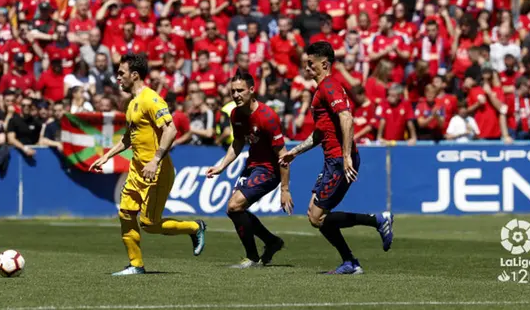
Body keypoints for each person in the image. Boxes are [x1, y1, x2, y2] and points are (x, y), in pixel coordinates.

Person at [279, 41, 394, 275]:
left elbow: (347, 118)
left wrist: (346, 156)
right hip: (332, 160)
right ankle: (350, 261)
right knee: (314, 214)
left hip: (339, 160)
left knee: (317, 216)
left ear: (324, 64)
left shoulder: (330, 86)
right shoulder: (321, 90)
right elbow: (320, 133)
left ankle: (376, 223)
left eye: (310, 63)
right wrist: (295, 152)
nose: (306, 68)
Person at [89, 53, 206, 275]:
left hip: (157, 171)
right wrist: (107, 156)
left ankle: (194, 227)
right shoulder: (131, 103)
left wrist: (155, 159)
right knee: (125, 213)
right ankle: (136, 265)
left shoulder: (151, 99)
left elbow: (171, 130)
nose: (118, 77)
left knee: (149, 224)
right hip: (137, 169)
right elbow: (128, 138)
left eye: (121, 73)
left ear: (134, 75)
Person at [205, 71, 292, 268]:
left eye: (240, 90)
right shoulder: (235, 114)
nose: (236, 95)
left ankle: (252, 258)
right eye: (233, 91)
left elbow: (283, 155)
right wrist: (221, 167)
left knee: (234, 206)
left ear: (252, 90)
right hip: (252, 165)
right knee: (234, 210)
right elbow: (237, 142)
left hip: (270, 170)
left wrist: (285, 189)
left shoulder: (268, 117)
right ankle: (271, 241)